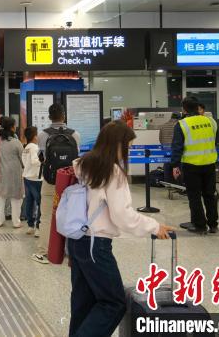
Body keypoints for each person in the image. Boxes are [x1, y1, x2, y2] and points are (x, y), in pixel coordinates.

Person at [69, 121, 175, 337]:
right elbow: (122, 215)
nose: (129, 151)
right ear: (117, 144)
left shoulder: (83, 163)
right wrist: (154, 226)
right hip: (96, 243)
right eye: (128, 146)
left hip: (76, 240)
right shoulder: (112, 171)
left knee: (83, 302)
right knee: (114, 302)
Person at [32, 103, 81, 265]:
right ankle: (68, 251)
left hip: (50, 180)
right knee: (69, 215)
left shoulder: (43, 135)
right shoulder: (75, 135)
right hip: (70, 182)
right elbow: (77, 158)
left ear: (49, 117)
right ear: (64, 116)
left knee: (46, 217)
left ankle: (43, 251)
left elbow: (42, 157)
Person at [171, 97, 219, 235]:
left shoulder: (182, 124)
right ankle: (213, 225)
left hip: (191, 165)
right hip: (210, 164)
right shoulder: (211, 121)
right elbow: (213, 140)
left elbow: (177, 147)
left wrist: (175, 165)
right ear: (198, 107)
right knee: (210, 195)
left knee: (194, 196)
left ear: (184, 109)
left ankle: (200, 225)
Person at [0, 117, 24, 228]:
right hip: (14, 174)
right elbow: (23, 158)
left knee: (0, 196)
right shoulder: (16, 142)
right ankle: (16, 222)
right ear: (11, 128)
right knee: (16, 198)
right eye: (14, 125)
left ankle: (0, 220)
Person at [22, 126, 42, 236]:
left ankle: (30, 226)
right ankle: (38, 227)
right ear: (35, 137)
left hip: (27, 178)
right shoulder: (34, 147)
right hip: (36, 179)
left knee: (29, 202)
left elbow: (24, 162)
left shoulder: (26, 148)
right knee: (39, 203)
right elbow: (35, 161)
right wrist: (43, 161)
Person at [158, 113, 180, 185]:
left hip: (165, 149)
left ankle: (167, 183)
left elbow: (160, 139)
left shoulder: (163, 126)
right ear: (178, 118)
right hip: (175, 149)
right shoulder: (178, 126)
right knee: (176, 165)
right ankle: (177, 183)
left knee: (167, 166)